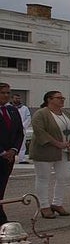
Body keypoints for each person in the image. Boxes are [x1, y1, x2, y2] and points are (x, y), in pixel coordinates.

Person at [30, 90, 70, 218]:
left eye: (63, 98)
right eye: (58, 98)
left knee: (64, 177)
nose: (62, 100)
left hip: (65, 151)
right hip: (45, 151)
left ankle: (57, 203)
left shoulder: (67, 114)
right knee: (43, 177)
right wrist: (56, 143)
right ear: (49, 99)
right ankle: (44, 206)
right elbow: (40, 131)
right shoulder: (41, 114)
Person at [0, 82, 23, 224]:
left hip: (9, 157)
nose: (6, 95)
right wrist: (2, 151)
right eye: (3, 93)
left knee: (2, 185)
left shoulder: (13, 111)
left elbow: (19, 132)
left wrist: (14, 150)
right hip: (1, 154)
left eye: (8, 93)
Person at [13, 92, 32, 164]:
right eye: (16, 98)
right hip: (10, 129)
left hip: (21, 129)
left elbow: (28, 118)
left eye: (18, 98)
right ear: (13, 99)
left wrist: (23, 126)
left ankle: (21, 159)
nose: (17, 99)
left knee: (22, 144)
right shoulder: (9, 107)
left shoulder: (24, 108)